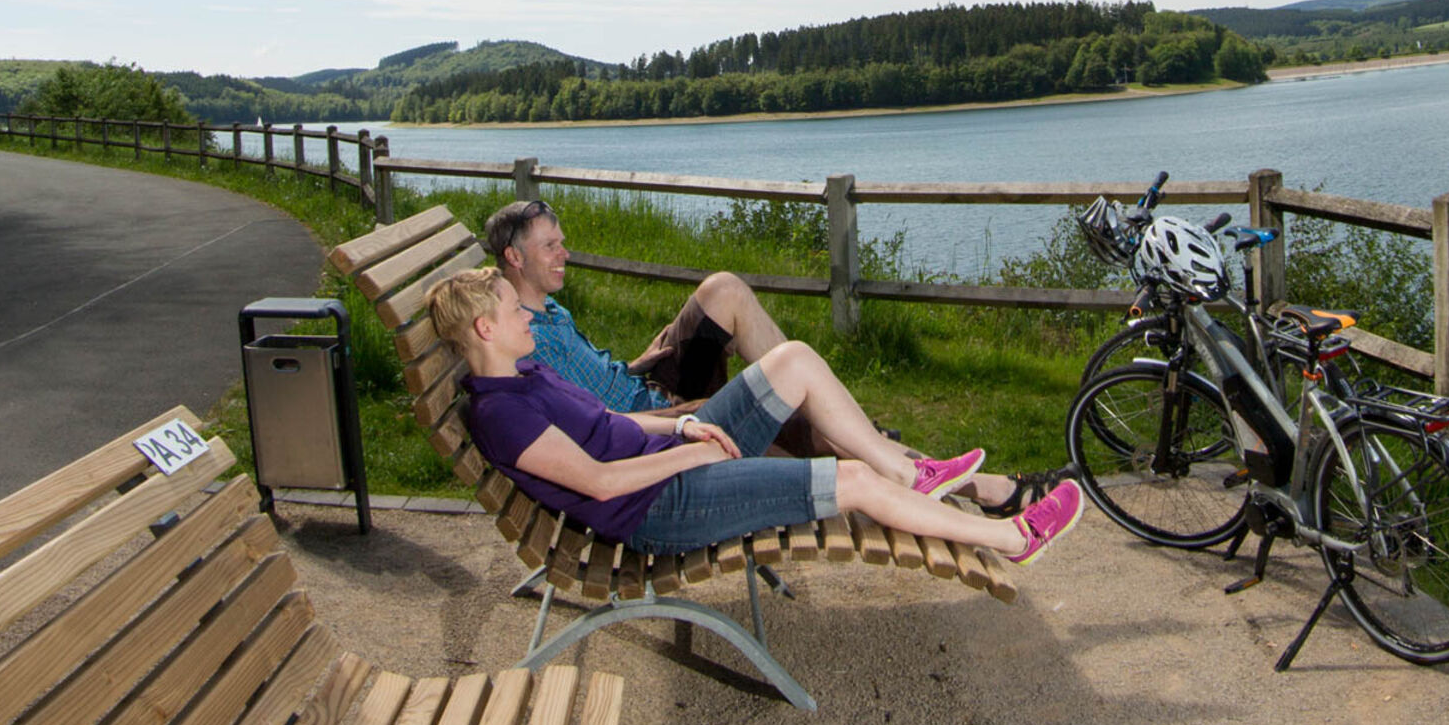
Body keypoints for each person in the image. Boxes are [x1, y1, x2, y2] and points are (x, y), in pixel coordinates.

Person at [425, 267, 1084, 566]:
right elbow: (598, 481)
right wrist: (694, 452)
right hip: (658, 507)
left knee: (791, 360)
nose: (526, 315)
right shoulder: (503, 414)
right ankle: (1013, 539)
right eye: (514, 311)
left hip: (673, 461)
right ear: (485, 326)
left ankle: (911, 473)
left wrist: (684, 427)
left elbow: (607, 422)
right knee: (847, 483)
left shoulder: (528, 370)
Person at [484, 198, 1071, 517]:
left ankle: (843, 421)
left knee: (724, 289)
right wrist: (681, 415)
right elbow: (591, 424)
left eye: (562, 241)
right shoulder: (517, 338)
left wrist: (640, 362)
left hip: (644, 384)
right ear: (514, 258)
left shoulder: (540, 308)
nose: (566, 253)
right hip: (657, 422)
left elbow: (594, 384)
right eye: (550, 246)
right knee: (800, 418)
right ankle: (984, 488)